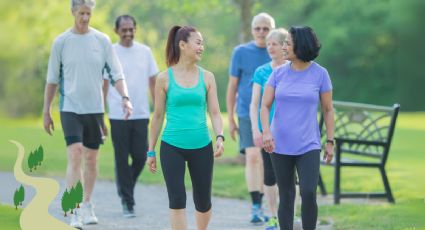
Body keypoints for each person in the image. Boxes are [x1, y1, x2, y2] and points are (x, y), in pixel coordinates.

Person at [42, 0, 133, 229]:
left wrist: (125, 97)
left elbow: (116, 73)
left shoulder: (101, 41)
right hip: (70, 108)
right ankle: (74, 211)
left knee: (91, 159)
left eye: (88, 13)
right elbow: (52, 79)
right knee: (75, 154)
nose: (85, 18)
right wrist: (46, 110)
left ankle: (87, 203)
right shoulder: (61, 42)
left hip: (95, 109)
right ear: (73, 12)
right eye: (81, 13)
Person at [146, 25, 224, 230]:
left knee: (203, 201)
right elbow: (157, 116)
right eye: (198, 42)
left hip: (202, 146)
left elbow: (215, 112)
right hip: (172, 146)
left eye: (202, 43)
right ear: (182, 45)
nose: (201, 47)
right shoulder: (164, 78)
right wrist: (151, 150)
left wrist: (220, 137)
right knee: (177, 198)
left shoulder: (207, 77)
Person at [261, 26, 335, 230]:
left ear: (300, 46)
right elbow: (265, 106)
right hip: (279, 144)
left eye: (287, 43)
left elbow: (328, 110)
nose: (283, 47)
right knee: (286, 194)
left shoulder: (320, 74)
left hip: (309, 144)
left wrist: (330, 141)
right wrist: (266, 132)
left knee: (309, 191)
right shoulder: (278, 73)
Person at [103, 14, 159, 218]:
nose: (128, 33)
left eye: (131, 29)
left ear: (136, 29)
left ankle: (124, 186)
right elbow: (104, 84)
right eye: (124, 29)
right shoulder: (110, 52)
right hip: (117, 114)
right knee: (121, 158)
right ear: (116, 30)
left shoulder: (145, 52)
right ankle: (128, 201)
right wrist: (102, 114)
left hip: (141, 112)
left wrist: (157, 108)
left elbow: (153, 81)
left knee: (141, 155)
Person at [226, 12, 275, 224]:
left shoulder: (278, 51)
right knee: (253, 157)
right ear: (252, 30)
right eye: (258, 28)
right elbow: (232, 86)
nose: (262, 32)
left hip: (274, 114)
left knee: (268, 160)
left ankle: (267, 204)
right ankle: (256, 205)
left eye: (266, 28)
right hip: (247, 112)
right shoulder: (241, 52)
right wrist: (230, 118)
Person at [249, 28, 288, 230]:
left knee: (291, 178)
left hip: (291, 133)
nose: (270, 47)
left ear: (285, 46)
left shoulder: (293, 69)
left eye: (275, 43)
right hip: (268, 133)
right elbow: (254, 104)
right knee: (270, 176)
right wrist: (257, 130)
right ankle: (273, 217)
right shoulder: (261, 71)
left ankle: (289, 215)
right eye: (269, 43)